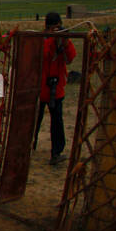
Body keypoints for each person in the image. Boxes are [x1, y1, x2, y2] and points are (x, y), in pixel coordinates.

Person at [37, 11, 77, 166]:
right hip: (40, 88)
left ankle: (56, 152)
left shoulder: (63, 41)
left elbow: (70, 59)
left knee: (57, 122)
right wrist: (53, 41)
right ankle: (30, 145)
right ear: (47, 28)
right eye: (54, 28)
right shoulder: (41, 40)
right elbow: (42, 55)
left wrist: (65, 43)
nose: (57, 31)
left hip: (56, 87)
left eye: (59, 28)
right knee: (34, 120)